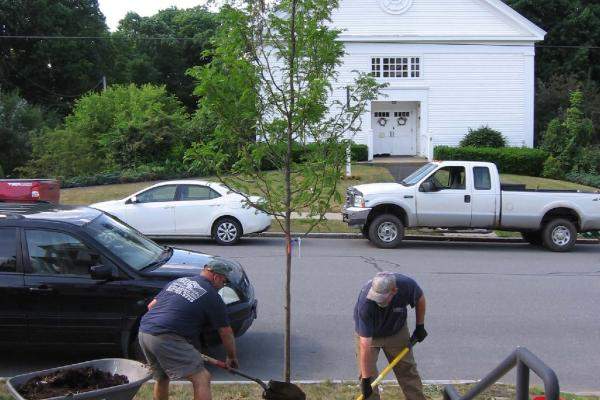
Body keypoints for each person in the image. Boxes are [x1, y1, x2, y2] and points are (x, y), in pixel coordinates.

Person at [138, 259, 239, 400]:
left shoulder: (179, 281)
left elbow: (151, 306)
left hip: (145, 331)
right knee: (202, 378)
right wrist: (231, 357)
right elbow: (225, 332)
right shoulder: (211, 295)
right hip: (165, 337)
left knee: (162, 377)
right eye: (224, 282)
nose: (223, 286)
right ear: (216, 277)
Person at [354, 271, 428, 400]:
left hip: (396, 331)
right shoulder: (366, 303)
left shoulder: (407, 285)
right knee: (368, 375)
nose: (378, 301)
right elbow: (365, 345)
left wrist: (420, 326)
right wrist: (366, 380)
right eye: (376, 297)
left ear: (394, 291)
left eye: (382, 297)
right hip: (372, 335)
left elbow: (420, 298)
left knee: (407, 370)